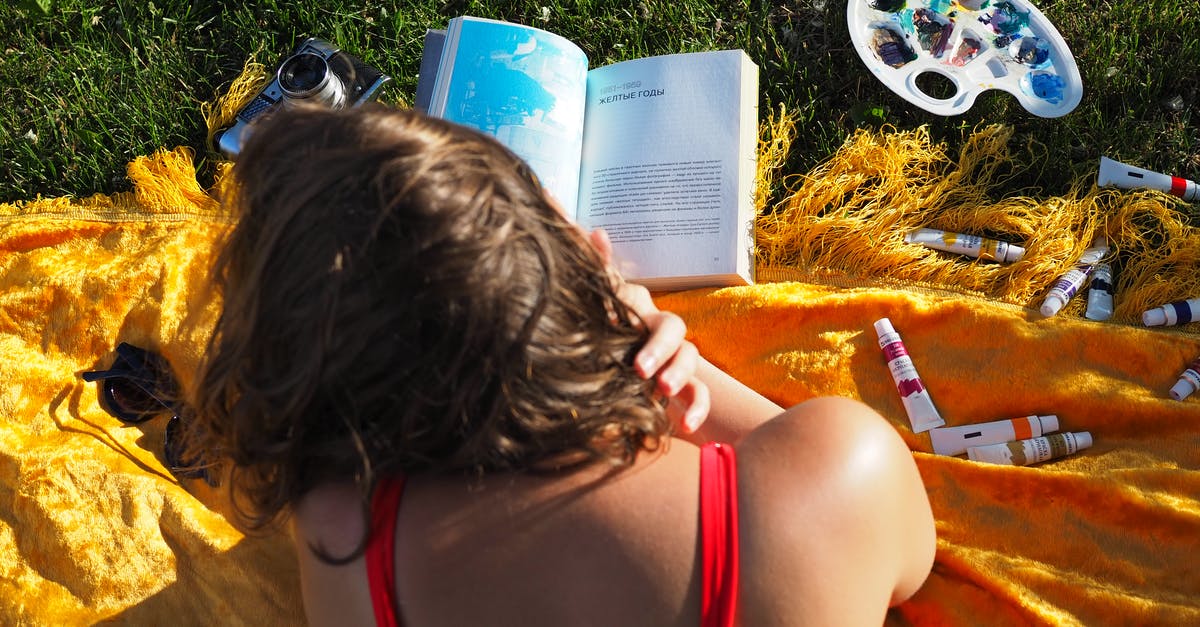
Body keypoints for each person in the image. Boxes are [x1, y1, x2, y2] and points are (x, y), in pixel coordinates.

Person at [186, 102, 935, 626]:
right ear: (584, 270)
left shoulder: (342, 534)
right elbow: (910, 562)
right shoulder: (835, 477)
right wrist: (663, 364)